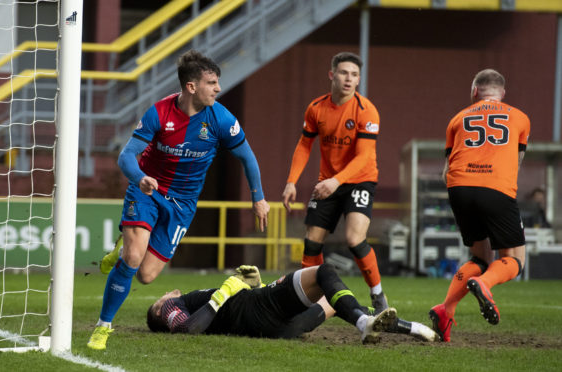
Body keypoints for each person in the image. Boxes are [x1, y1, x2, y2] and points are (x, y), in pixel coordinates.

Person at [87, 50, 271, 350]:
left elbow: (247, 157)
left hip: (183, 204)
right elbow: (126, 156)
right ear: (191, 87)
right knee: (134, 259)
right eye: (211, 82)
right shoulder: (158, 113)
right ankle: (103, 326)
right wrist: (140, 179)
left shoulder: (221, 118)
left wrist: (258, 198)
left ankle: (122, 249)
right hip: (148, 190)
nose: (218, 89)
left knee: (146, 275)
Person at [281, 52, 388, 314]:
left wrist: (336, 181)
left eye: (353, 75)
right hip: (328, 182)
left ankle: (377, 295)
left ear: (358, 79)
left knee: (354, 238)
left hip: (359, 180)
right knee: (312, 241)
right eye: (343, 73)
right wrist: (291, 182)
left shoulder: (367, 111)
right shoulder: (316, 108)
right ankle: (307, 299)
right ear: (332, 75)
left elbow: (364, 157)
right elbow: (304, 145)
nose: (348, 79)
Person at [429, 69, 530, 342]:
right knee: (515, 259)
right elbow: (516, 163)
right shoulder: (520, 118)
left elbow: (446, 170)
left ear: (475, 92)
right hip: (496, 187)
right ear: (503, 94)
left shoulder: (457, 119)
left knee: (480, 258)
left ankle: (445, 309)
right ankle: (484, 284)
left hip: (459, 188)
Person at [146, 263, 436, 343]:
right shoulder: (172, 307)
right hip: (261, 309)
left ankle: (412, 328)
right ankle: (363, 324)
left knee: (336, 301)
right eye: (161, 299)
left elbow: (222, 316)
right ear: (159, 309)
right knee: (324, 273)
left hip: (280, 328)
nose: (167, 294)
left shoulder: (187, 303)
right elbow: (186, 331)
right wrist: (223, 293)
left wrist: (251, 285)